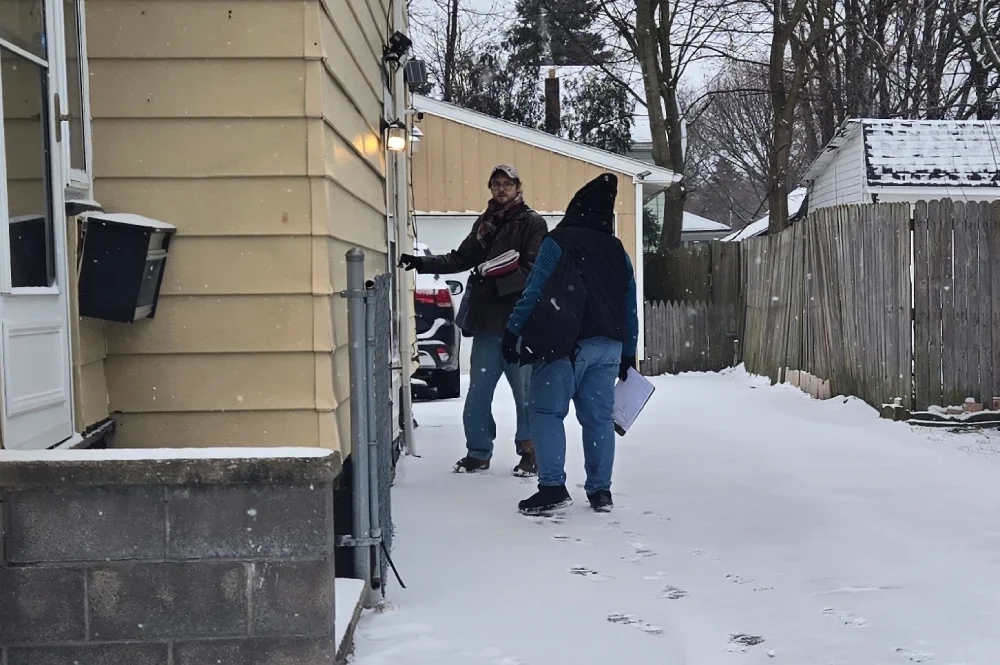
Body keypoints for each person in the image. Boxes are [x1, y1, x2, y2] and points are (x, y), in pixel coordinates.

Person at [502, 173, 638, 515]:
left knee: (547, 412)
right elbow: (629, 304)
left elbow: (534, 290)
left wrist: (513, 331)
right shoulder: (616, 249)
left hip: (563, 344)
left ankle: (552, 487)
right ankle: (600, 491)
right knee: (599, 420)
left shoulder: (558, 241)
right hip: (607, 345)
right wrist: (628, 352)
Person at [399, 165, 548, 475]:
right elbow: (461, 258)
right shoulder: (486, 223)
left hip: (519, 325)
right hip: (487, 325)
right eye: (496, 184)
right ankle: (478, 452)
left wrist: (496, 279)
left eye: (507, 184)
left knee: (525, 394)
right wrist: (421, 263)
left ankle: (530, 451)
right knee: (478, 393)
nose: (501, 189)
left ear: (518, 188)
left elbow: (534, 269)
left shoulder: (532, 223)